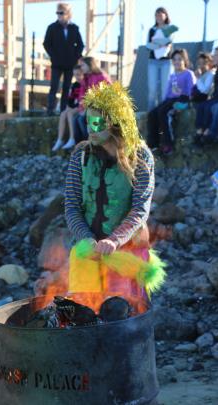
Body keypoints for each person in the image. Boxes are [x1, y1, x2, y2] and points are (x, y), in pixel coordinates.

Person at [65, 81, 155, 299]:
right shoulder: (81, 155)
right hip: (88, 250)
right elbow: (72, 206)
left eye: (97, 123)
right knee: (82, 311)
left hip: (127, 251)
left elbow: (140, 209)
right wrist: (85, 238)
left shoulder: (141, 157)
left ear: (116, 122)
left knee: (122, 316)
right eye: (87, 122)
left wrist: (114, 240)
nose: (90, 130)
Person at [147, 48, 196, 155]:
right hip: (169, 100)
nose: (177, 62)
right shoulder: (172, 75)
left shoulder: (188, 74)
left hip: (182, 99)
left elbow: (190, 91)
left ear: (185, 60)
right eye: (174, 60)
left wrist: (183, 103)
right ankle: (153, 144)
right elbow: (167, 93)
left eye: (180, 59)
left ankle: (168, 144)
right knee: (152, 113)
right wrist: (163, 103)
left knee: (163, 113)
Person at [43, 2, 84, 115]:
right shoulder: (52, 28)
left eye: (62, 13)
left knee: (66, 88)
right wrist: (53, 55)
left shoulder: (74, 28)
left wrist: (75, 57)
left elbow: (80, 45)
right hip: (56, 64)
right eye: (58, 13)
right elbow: (47, 44)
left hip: (70, 64)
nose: (59, 15)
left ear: (68, 14)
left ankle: (63, 110)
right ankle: (50, 110)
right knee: (54, 87)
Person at [146, 7, 178, 111]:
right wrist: (159, 43)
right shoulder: (152, 30)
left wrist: (156, 43)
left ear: (166, 15)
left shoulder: (170, 28)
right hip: (153, 62)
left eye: (161, 14)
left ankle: (164, 112)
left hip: (166, 62)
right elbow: (148, 46)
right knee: (152, 90)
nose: (158, 17)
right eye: (156, 15)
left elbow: (168, 40)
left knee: (165, 89)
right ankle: (151, 114)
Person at [73, 57, 111, 144]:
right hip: (89, 107)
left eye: (83, 65)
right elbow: (82, 96)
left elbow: (107, 92)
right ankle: (80, 145)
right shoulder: (86, 78)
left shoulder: (100, 76)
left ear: (89, 65)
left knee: (82, 120)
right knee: (75, 119)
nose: (81, 67)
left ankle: (90, 142)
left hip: (100, 107)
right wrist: (82, 108)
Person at [52, 65, 83, 152]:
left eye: (79, 74)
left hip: (82, 106)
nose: (78, 77)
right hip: (76, 106)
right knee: (63, 113)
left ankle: (72, 138)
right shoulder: (75, 85)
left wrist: (72, 108)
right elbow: (71, 98)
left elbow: (83, 99)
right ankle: (60, 139)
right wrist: (69, 107)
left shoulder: (85, 84)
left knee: (69, 113)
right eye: (76, 75)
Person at [194, 47, 218, 145]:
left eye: (216, 55)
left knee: (215, 108)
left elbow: (205, 89)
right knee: (203, 105)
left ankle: (211, 133)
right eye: (214, 55)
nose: (214, 57)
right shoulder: (215, 71)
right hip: (215, 97)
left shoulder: (212, 73)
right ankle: (201, 130)